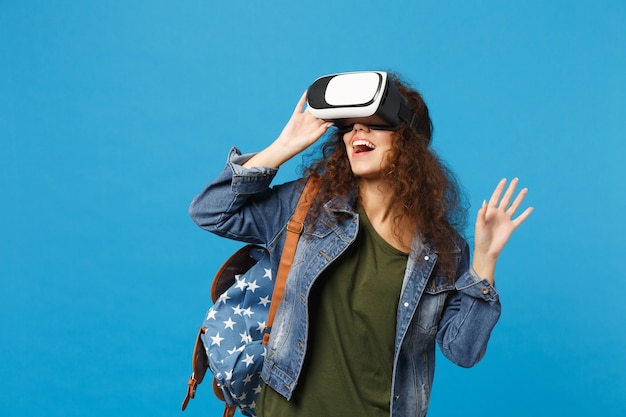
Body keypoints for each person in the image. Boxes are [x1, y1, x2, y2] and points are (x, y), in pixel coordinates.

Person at [189, 72, 533, 417]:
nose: (357, 131)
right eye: (350, 125)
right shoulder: (306, 206)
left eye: (374, 123)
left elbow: (463, 350)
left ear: (409, 142)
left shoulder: (443, 248)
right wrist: (282, 147)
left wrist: (486, 259)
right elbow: (210, 211)